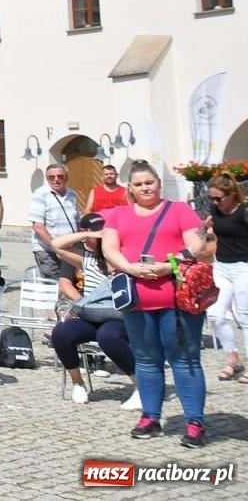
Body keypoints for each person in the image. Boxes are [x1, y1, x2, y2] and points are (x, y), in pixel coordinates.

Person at [103, 160, 211, 446]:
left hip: (178, 300)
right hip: (137, 299)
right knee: (146, 360)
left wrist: (167, 265)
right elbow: (109, 248)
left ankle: (194, 422)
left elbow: (197, 245)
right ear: (131, 188)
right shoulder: (118, 214)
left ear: (158, 183)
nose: (144, 188)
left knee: (185, 359)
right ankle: (151, 416)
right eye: (138, 184)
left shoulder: (179, 210)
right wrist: (130, 268)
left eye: (148, 182)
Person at [50, 213, 139, 409]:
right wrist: (92, 234)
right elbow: (55, 244)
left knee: (108, 335)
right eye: (97, 230)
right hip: (92, 315)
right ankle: (77, 382)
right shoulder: (87, 258)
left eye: (104, 229)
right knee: (61, 333)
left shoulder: (122, 256)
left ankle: (139, 386)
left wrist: (108, 239)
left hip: (118, 315)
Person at [205, 173, 248, 384]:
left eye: (219, 198)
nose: (215, 203)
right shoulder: (215, 210)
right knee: (214, 314)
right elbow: (209, 230)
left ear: (231, 194)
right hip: (221, 266)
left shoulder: (244, 213)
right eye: (212, 198)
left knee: (245, 317)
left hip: (243, 267)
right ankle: (233, 360)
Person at [31, 163, 82, 301]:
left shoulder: (72, 194)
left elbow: (77, 221)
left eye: (60, 176)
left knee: (71, 283)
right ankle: (52, 318)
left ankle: (65, 315)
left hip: (70, 249)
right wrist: (56, 248)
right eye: (51, 177)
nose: (56, 180)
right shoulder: (40, 194)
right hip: (47, 250)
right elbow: (38, 226)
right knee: (53, 285)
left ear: (66, 177)